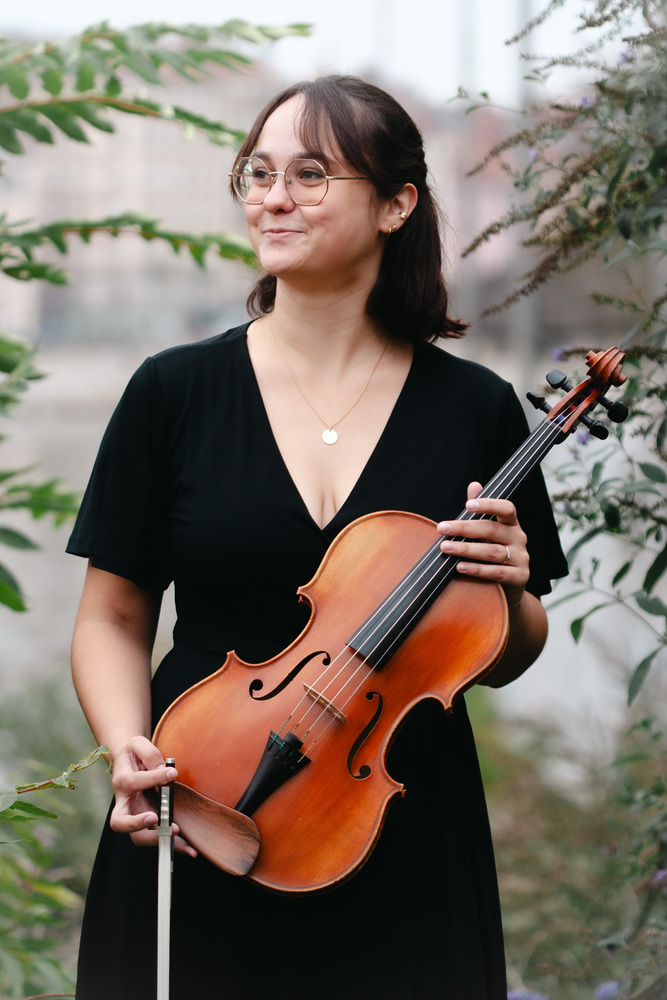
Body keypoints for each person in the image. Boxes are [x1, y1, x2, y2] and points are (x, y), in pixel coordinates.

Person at [67, 75, 567, 1000]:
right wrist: (126, 750)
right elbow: (112, 618)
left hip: (398, 817)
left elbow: (505, 654)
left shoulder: (477, 410)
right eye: (257, 173)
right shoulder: (171, 392)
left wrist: (509, 592)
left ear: (395, 204)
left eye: (309, 174)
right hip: (199, 801)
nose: (273, 197)